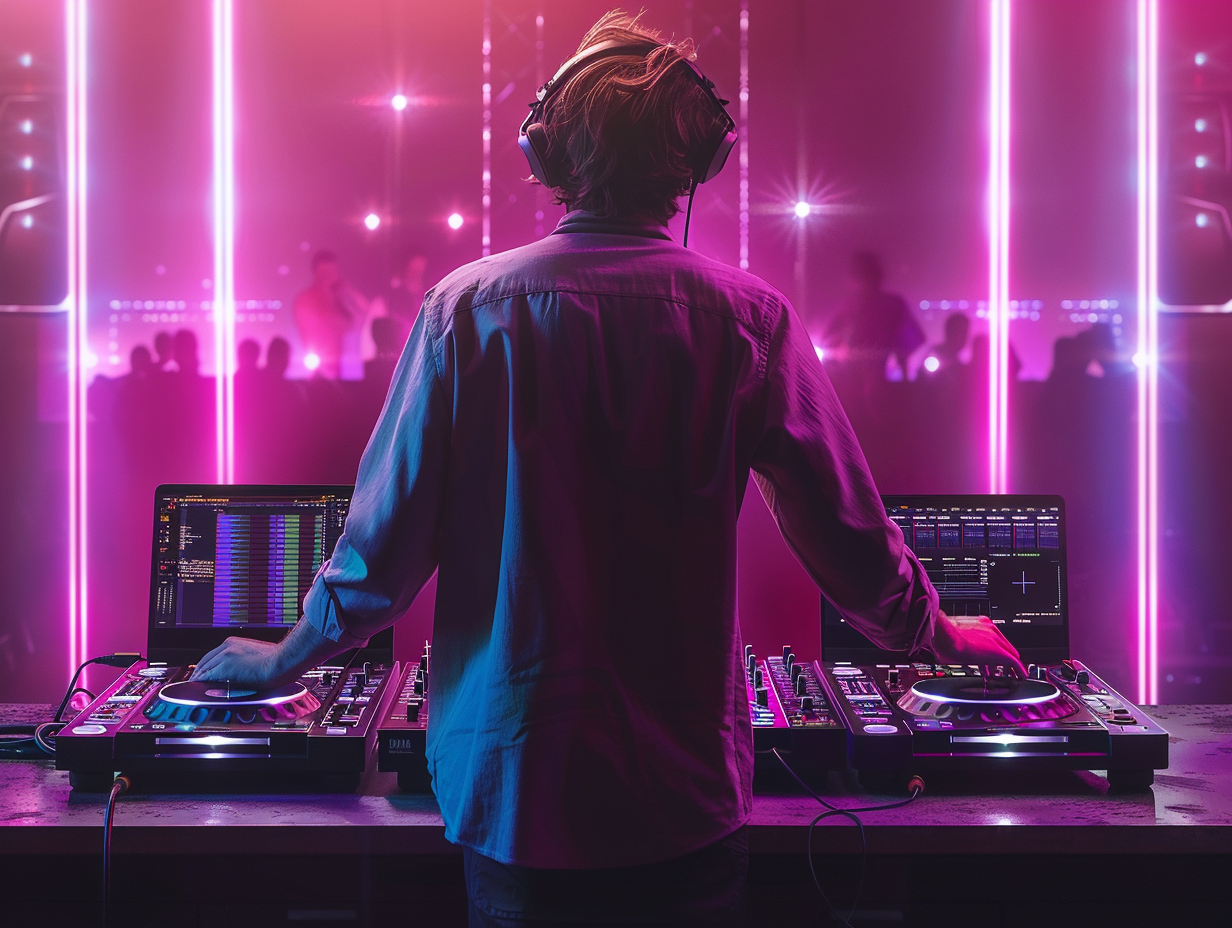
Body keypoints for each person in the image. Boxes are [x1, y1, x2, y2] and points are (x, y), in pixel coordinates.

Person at [193, 12, 1022, 927]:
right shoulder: (749, 320)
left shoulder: (464, 313)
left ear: (548, 151)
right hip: (683, 800)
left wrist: (288, 657)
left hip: (515, 795)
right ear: (696, 159)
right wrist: (935, 631)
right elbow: (845, 532)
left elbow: (383, 553)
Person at [830, 251, 925, 380]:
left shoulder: (891, 305)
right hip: (857, 379)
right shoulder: (852, 305)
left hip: (871, 380)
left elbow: (905, 344)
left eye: (860, 274)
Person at [292, 250, 368, 379]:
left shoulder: (341, 301)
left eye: (332, 273)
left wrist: (348, 290)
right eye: (324, 274)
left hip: (344, 368)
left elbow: (366, 310)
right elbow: (309, 331)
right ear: (315, 273)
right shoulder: (305, 300)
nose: (328, 278)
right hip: (319, 368)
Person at [922, 312, 969, 380]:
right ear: (950, 332)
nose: (965, 338)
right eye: (962, 333)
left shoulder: (956, 362)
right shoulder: (934, 357)